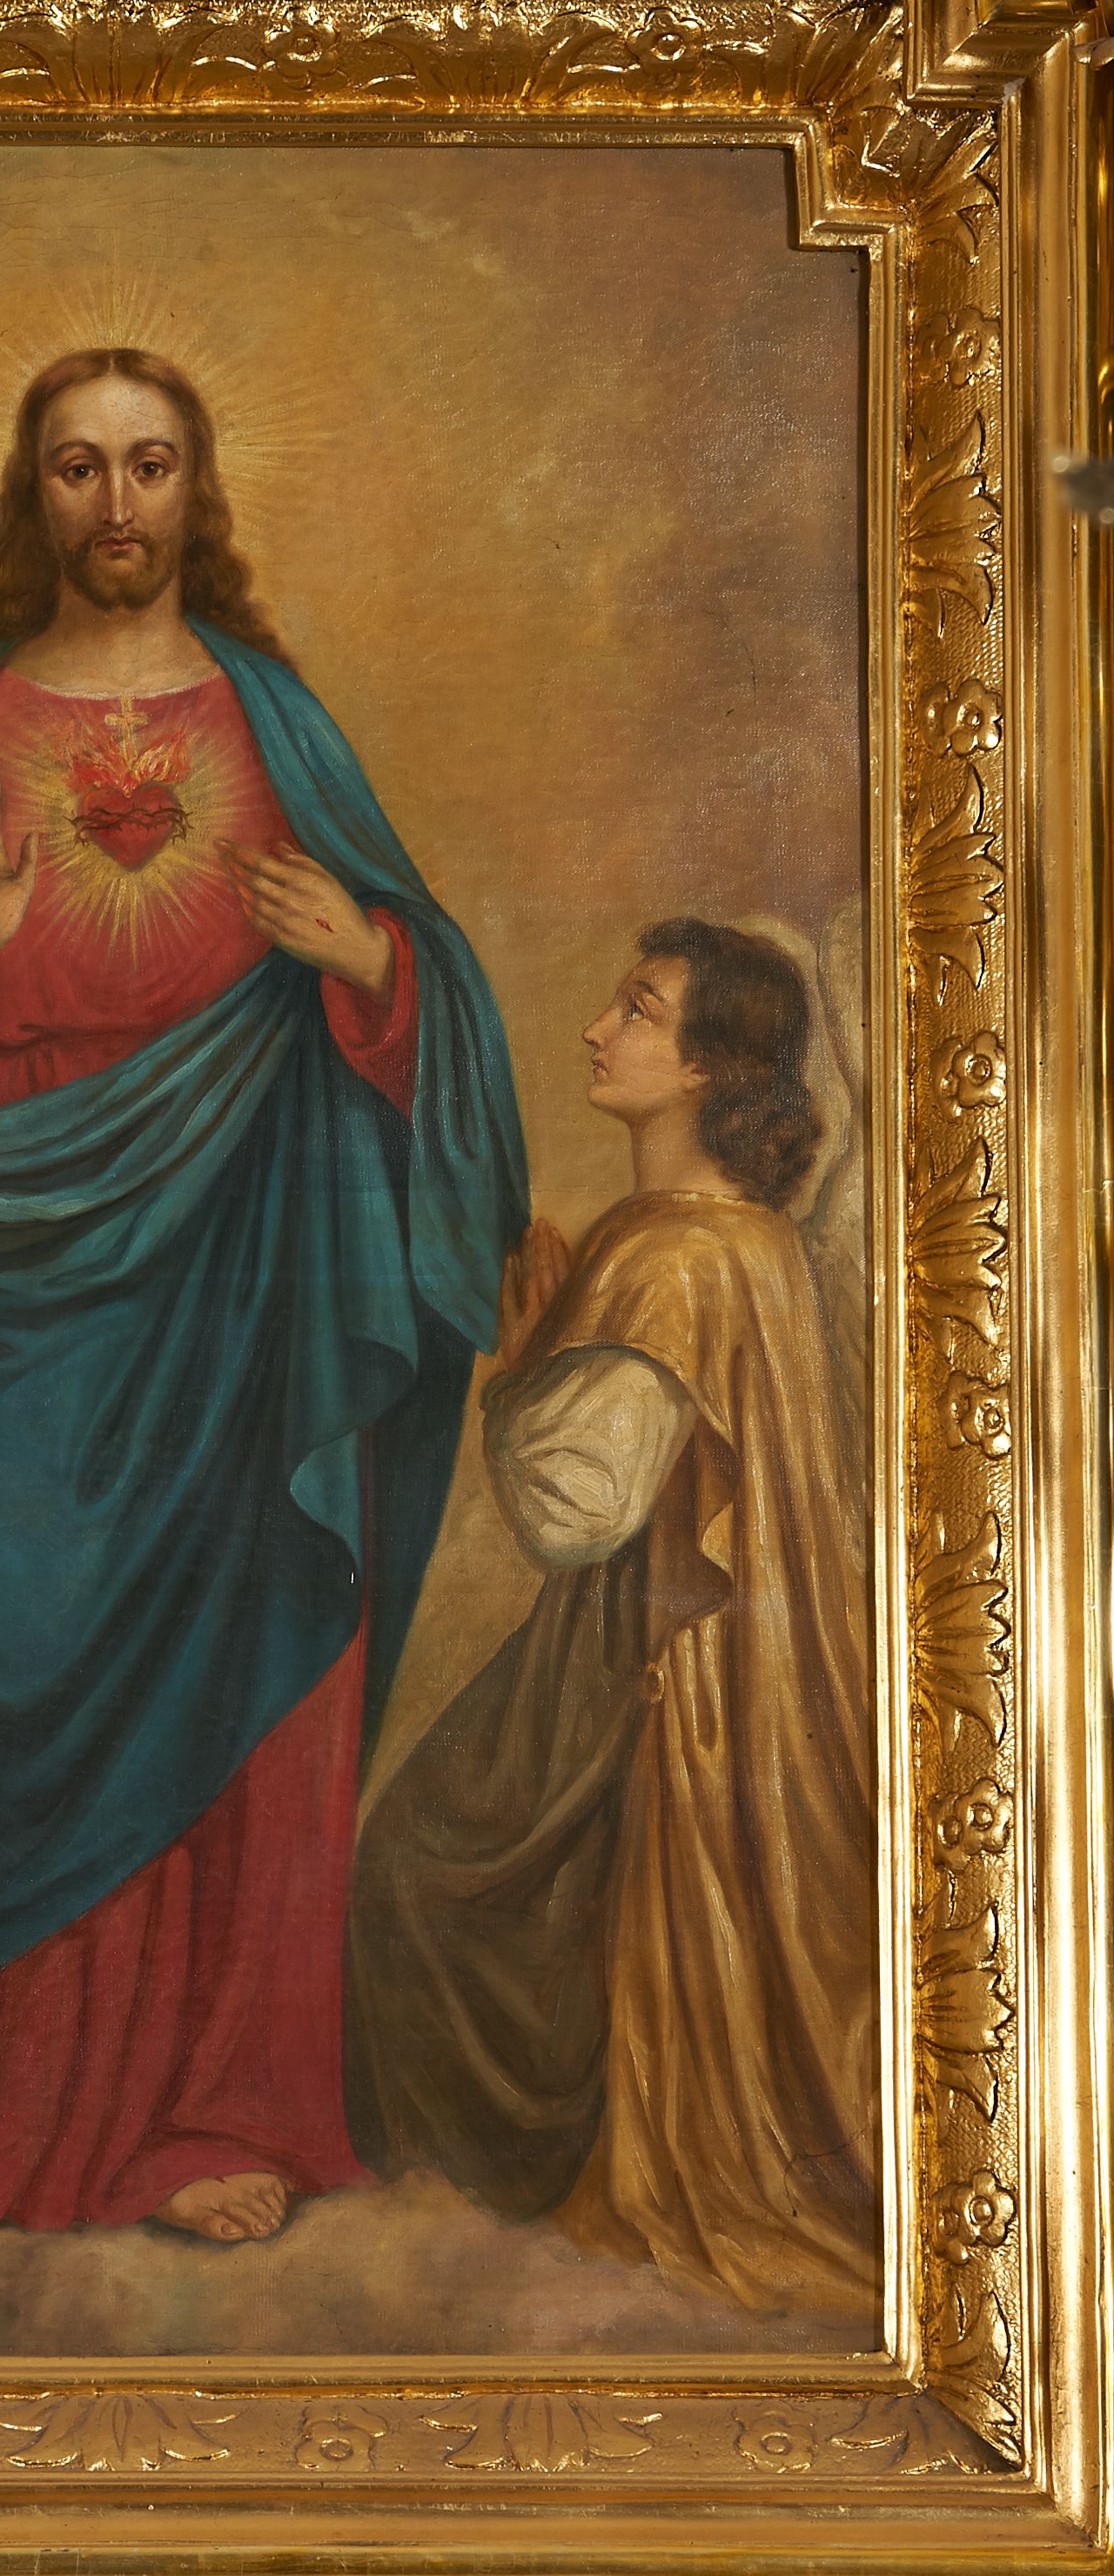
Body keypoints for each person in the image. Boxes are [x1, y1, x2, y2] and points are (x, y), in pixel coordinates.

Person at [0, 347, 527, 2244]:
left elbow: (421, 999)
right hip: (9, 1310)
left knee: (256, 1671)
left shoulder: (276, 719)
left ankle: (218, 2106)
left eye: (148, 463)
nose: (115, 503)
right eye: (76, 467)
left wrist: (371, 959)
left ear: (198, 488)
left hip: (249, 1284)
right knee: (20, 1681)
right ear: (28, 494)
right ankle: (5, 2095)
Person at [347, 917, 878, 2315]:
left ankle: (485, 2180)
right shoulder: (741, 1239)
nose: (598, 1027)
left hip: (651, 1665)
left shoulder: (674, 1260)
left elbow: (575, 1513)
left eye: (637, 1009)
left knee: (412, 1859)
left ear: (706, 1067)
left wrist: (517, 1375)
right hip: (707, 1648)